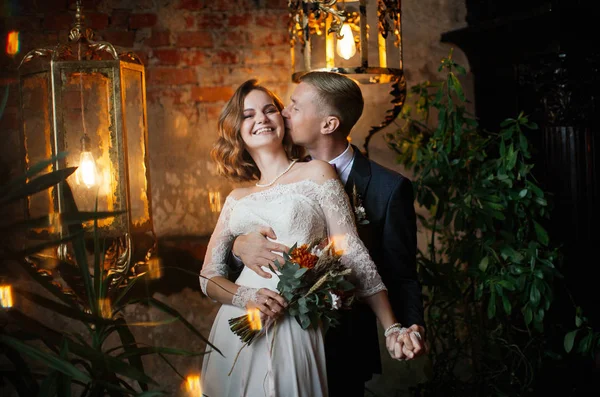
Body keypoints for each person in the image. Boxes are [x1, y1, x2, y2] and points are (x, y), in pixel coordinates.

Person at [199, 79, 407, 397]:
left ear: (282, 121)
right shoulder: (235, 199)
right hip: (238, 324)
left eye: (270, 110)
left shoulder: (317, 173)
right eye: (248, 114)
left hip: (296, 327)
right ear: (236, 131)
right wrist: (245, 297)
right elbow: (208, 276)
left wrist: (391, 325)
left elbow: (350, 251)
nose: (262, 118)